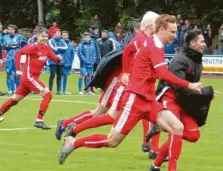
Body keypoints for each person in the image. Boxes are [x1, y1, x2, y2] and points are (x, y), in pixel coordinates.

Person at [58, 14, 202, 171]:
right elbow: (164, 74)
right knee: (113, 141)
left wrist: (127, 72)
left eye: (176, 31)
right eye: (172, 31)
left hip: (148, 100)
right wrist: (190, 85)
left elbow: (128, 51)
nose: (175, 35)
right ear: (161, 29)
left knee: (177, 127)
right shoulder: (154, 46)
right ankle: (74, 142)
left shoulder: (154, 44)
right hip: (134, 100)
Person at [56, 11, 162, 156]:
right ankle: (71, 128)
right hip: (124, 84)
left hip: (132, 85)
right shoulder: (141, 41)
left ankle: (151, 147)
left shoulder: (142, 40)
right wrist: (126, 73)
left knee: (152, 116)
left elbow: (127, 54)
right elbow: (124, 56)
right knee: (104, 115)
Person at [147, 30, 210, 171]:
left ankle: (155, 167)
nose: (204, 44)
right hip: (170, 97)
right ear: (192, 43)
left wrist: (203, 95)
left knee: (193, 135)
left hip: (182, 101)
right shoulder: (179, 60)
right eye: (201, 41)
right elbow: (180, 87)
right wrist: (204, 94)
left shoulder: (196, 60)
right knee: (176, 131)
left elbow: (190, 89)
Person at [0, 27, 62, 130]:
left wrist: (58, 59)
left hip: (30, 79)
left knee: (14, 100)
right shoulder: (33, 47)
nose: (45, 38)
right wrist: (18, 69)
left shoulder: (46, 48)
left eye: (46, 36)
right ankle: (39, 120)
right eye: (42, 36)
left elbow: (54, 59)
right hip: (29, 77)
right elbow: (18, 53)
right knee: (48, 94)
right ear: (37, 36)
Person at [2, 24, 26, 95]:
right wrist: (14, 45)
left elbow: (22, 44)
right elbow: (4, 46)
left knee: (17, 74)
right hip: (9, 58)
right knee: (9, 74)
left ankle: (18, 89)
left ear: (14, 30)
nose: (10, 31)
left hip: (17, 58)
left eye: (11, 29)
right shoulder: (5, 37)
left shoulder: (19, 37)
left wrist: (11, 45)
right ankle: (10, 90)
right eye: (9, 29)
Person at [47, 29, 67, 94]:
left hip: (60, 61)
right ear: (54, 34)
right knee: (52, 75)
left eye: (59, 33)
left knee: (59, 76)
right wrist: (59, 50)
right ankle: (50, 90)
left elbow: (65, 48)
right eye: (57, 33)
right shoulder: (50, 41)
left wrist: (58, 48)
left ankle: (58, 90)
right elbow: (53, 49)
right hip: (52, 61)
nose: (59, 34)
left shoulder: (62, 41)